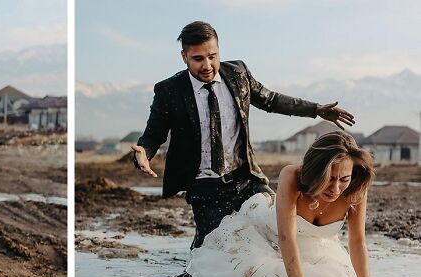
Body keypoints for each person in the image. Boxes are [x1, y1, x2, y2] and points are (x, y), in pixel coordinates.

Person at [131, 21, 356, 256]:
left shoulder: (238, 73)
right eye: (198, 59)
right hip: (204, 186)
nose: (208, 65)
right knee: (214, 252)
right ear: (184, 56)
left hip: (246, 179)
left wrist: (316, 109)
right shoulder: (169, 90)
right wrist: (143, 155)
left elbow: (271, 100)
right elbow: (153, 134)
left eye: (212, 56)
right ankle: (197, 258)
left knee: (283, 229)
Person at [181, 131, 378, 277]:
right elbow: (287, 237)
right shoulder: (292, 175)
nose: (336, 188)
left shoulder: (356, 189)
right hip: (266, 237)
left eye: (344, 179)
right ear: (316, 172)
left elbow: (357, 241)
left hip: (313, 248)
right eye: (329, 179)